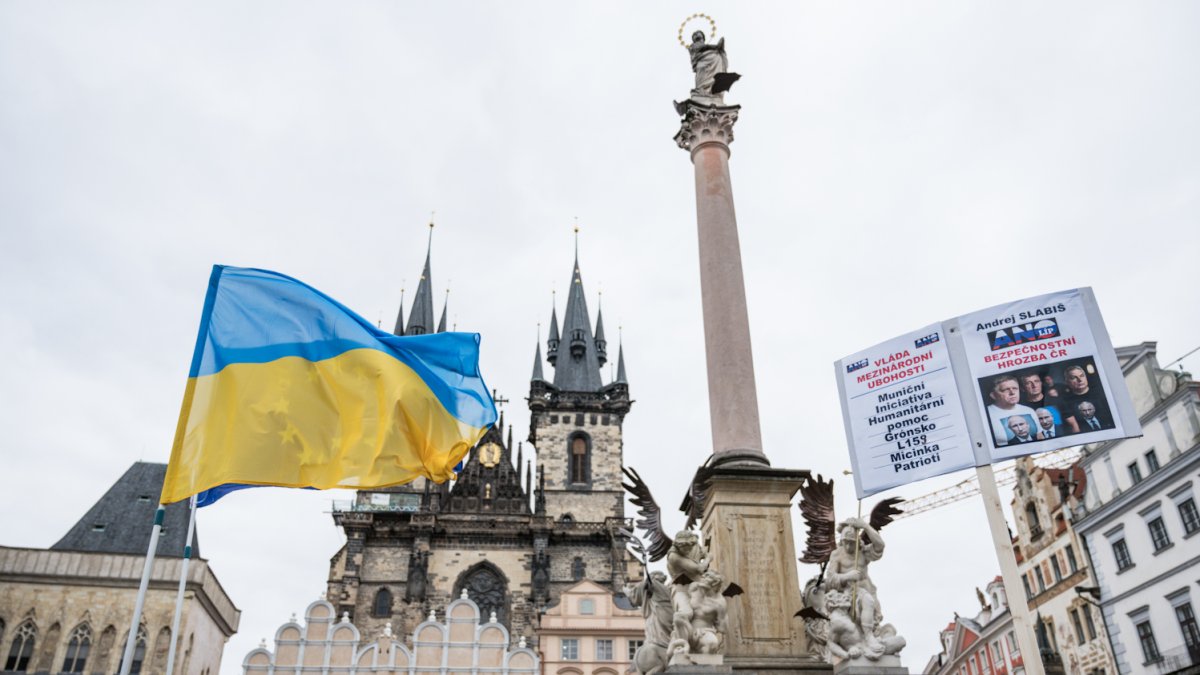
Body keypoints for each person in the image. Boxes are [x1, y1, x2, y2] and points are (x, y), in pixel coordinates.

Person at [1061, 364, 1114, 432]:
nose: (1080, 380)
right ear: (1067, 382)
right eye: (1074, 378)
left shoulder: (1102, 393)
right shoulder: (1066, 402)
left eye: (1082, 376)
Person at [985, 375, 1036, 446]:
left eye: (1015, 388)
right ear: (993, 395)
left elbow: (1040, 437)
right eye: (1005, 390)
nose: (1012, 393)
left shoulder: (1029, 410)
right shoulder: (985, 415)